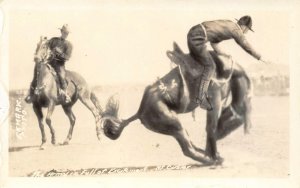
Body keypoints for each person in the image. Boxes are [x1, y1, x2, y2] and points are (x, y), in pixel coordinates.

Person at [187, 15, 269, 110]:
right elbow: (246, 45)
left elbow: (214, 42)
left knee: (213, 59)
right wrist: (260, 57)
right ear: (244, 26)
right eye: (247, 29)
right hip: (197, 37)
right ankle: (201, 98)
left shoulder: (229, 25)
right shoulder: (236, 30)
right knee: (210, 66)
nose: (246, 32)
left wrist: (225, 55)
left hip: (195, 33)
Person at [25, 24, 73, 103]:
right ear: (61, 32)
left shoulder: (69, 45)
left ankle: (65, 95)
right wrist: (42, 41)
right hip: (49, 62)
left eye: (67, 33)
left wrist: (59, 53)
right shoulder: (54, 40)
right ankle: (31, 93)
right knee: (37, 71)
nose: (65, 34)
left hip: (59, 65)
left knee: (61, 76)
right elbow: (46, 45)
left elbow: (67, 57)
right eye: (64, 32)